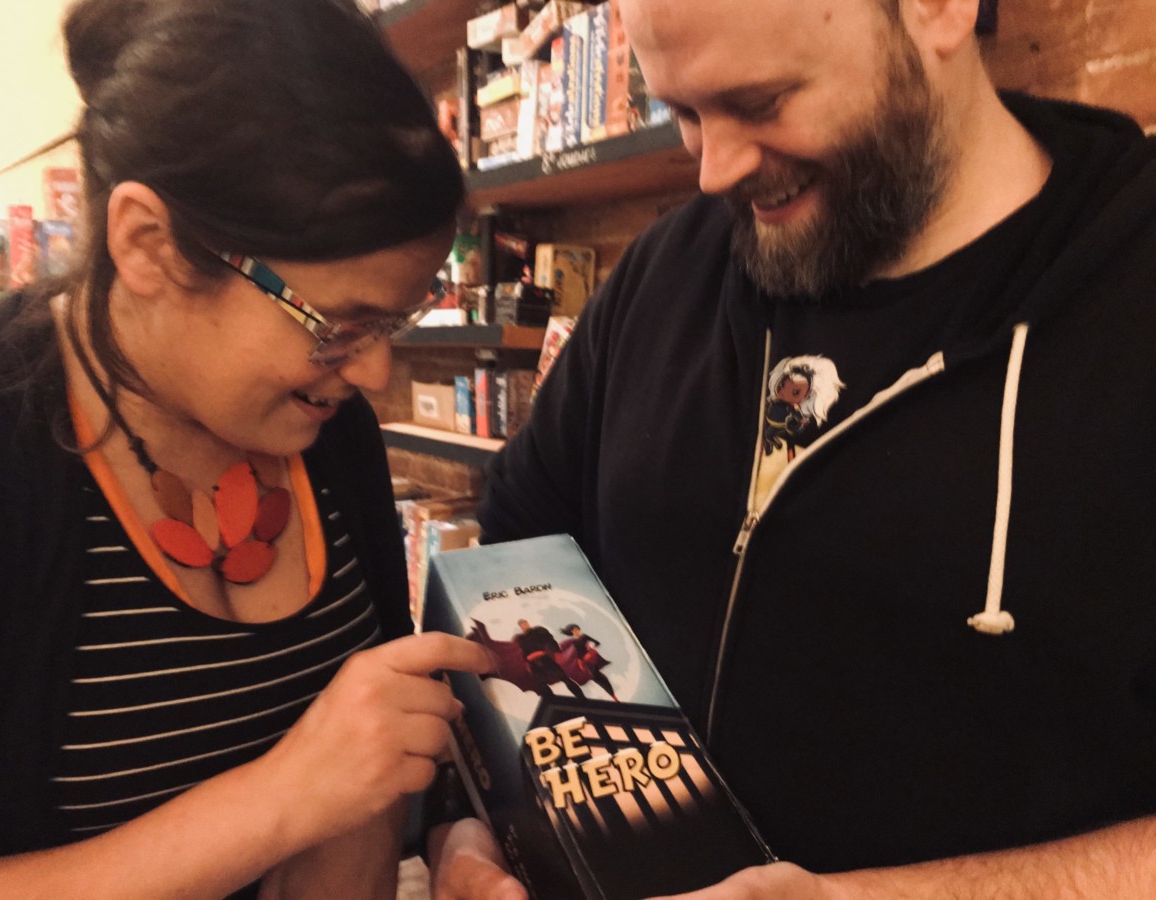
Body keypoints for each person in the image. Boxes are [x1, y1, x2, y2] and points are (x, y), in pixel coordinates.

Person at [432, 0, 1156, 896]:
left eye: (761, 102)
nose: (714, 170)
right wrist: (475, 826)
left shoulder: (1128, 288)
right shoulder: (661, 277)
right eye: (683, 113)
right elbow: (508, 571)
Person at [0, 0, 496, 896]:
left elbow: (364, 797)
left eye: (394, 321)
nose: (373, 373)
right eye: (338, 325)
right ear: (148, 244)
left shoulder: (330, 434)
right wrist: (282, 798)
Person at [513, 619, 585, 698]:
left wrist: (556, 652)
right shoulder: (520, 638)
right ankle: (552, 700)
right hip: (534, 663)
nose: (524, 624)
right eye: (521, 624)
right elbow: (522, 652)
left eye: (525, 622)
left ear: (528, 623)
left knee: (564, 678)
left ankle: (581, 698)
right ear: (520, 626)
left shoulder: (538, 630)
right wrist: (527, 662)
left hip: (545, 659)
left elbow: (550, 640)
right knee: (541, 684)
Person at [559, 624, 618, 700]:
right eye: (573, 630)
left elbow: (597, 643)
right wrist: (579, 662)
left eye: (576, 629)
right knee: (594, 676)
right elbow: (573, 653)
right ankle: (613, 696)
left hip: (590, 659)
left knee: (597, 676)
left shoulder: (584, 637)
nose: (576, 631)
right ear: (571, 632)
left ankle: (614, 697)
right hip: (582, 662)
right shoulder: (572, 642)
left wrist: (591, 648)